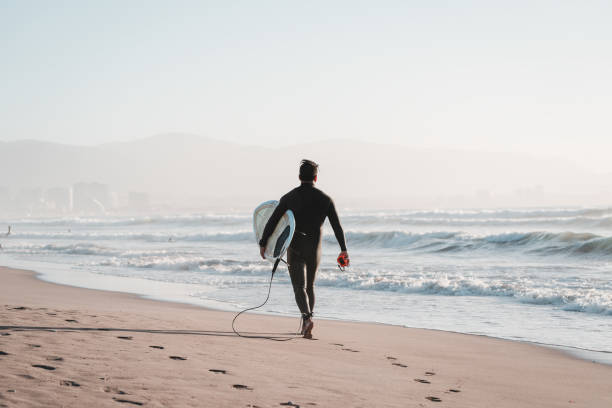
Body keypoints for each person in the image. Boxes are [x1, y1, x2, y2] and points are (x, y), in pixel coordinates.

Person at [259, 159, 349, 339]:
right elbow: (337, 226)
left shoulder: (289, 197)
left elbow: (273, 221)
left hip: (296, 246)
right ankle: (307, 320)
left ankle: (306, 319)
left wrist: (263, 243)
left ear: (299, 177)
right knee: (310, 286)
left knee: (298, 287)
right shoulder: (325, 199)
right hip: (314, 248)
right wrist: (343, 250)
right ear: (315, 178)